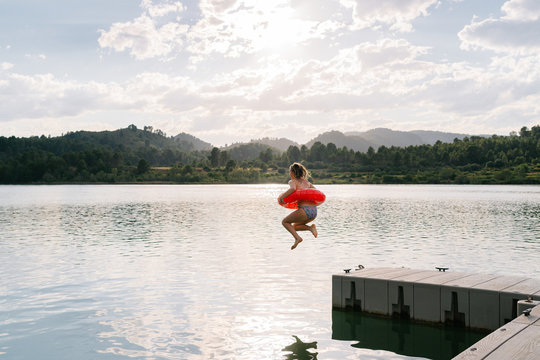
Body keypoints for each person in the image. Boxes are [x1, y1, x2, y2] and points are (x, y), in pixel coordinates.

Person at [279, 162, 318, 250]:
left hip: (304, 210)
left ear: (293, 172)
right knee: (294, 227)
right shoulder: (307, 182)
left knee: (285, 222)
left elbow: (292, 189)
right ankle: (311, 228)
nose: (289, 174)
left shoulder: (292, 181)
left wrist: (282, 197)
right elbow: (315, 191)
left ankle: (297, 238)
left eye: (290, 172)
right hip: (314, 212)